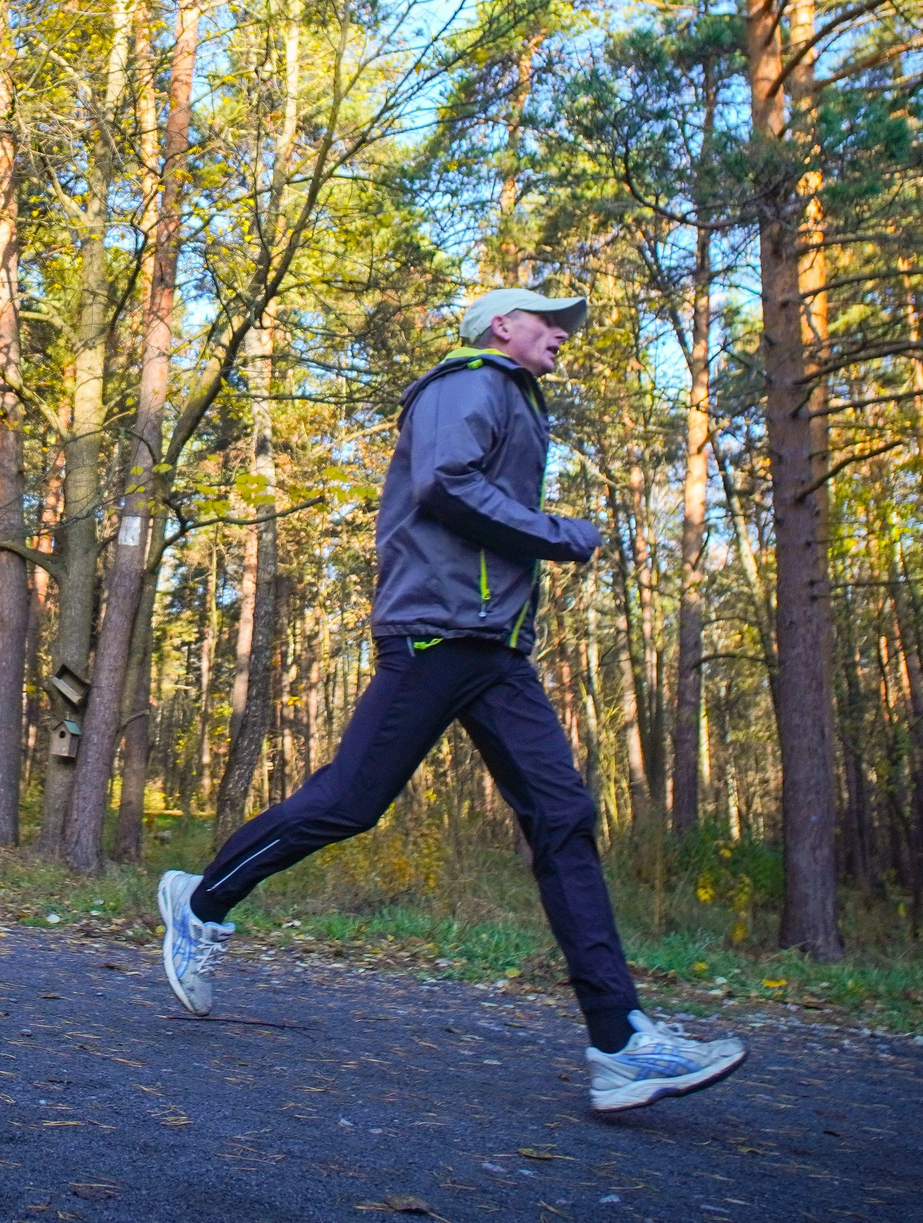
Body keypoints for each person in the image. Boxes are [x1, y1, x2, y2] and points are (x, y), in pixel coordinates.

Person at [155, 288, 746, 1114]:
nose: (562, 336)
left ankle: (621, 1042)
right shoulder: (466, 381)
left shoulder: (513, 397)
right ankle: (202, 897)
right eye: (551, 322)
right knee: (349, 802)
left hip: (495, 649)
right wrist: (558, 533)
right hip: (434, 632)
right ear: (503, 325)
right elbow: (444, 483)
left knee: (563, 813)